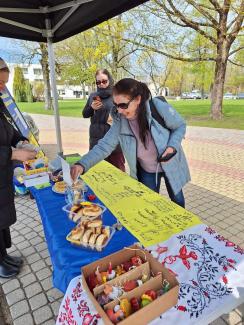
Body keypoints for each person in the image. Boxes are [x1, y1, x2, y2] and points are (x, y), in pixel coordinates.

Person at [72, 78, 190, 207]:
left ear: (138, 99)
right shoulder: (120, 121)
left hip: (171, 164)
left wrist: (172, 147)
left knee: (178, 201)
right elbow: (104, 146)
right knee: (149, 204)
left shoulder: (157, 106)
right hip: (147, 171)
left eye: (123, 105)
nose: (120, 111)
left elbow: (180, 126)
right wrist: (82, 165)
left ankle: (183, 227)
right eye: (116, 105)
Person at [0, 58, 36, 278]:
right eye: (0, 83)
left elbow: (7, 129)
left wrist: (21, 141)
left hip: (2, 174)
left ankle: (3, 256)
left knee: (2, 219)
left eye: (4, 83)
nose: (3, 88)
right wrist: (13, 153)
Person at [82, 69, 125, 171]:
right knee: (98, 173)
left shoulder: (117, 96)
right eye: (98, 82)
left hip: (114, 144)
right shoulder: (93, 96)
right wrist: (91, 108)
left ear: (110, 80)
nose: (101, 84)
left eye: (104, 81)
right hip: (96, 142)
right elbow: (85, 114)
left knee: (117, 174)